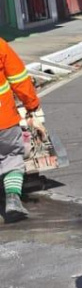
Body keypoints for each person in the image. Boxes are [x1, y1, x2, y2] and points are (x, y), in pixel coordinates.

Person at [0, 38, 41, 223]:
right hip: (3, 118)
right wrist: (32, 106)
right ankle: (12, 199)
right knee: (11, 156)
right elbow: (19, 79)